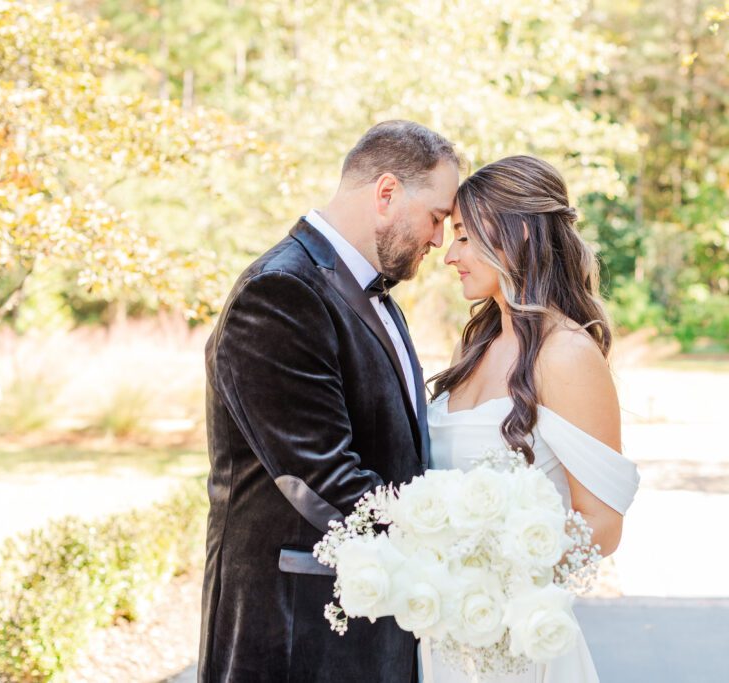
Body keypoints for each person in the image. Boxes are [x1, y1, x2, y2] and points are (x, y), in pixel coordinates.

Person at [199, 120, 460, 682]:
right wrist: (451, 540)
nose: (439, 240)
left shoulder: (371, 293)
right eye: (437, 217)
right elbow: (318, 476)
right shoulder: (280, 292)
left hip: (364, 617)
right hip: (297, 627)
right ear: (387, 193)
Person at [422, 155, 640, 682]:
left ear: (516, 235)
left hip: (516, 645)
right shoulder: (475, 344)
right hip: (440, 636)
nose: (449, 255)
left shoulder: (566, 353)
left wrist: (498, 584)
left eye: (464, 237)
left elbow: (602, 527)